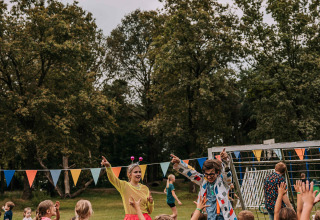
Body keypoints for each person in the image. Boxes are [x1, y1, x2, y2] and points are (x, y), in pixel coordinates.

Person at [171, 148, 237, 220]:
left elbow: (227, 174)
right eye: (206, 174)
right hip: (209, 216)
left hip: (223, 216)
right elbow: (191, 173)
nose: (208, 177)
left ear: (217, 172)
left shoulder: (223, 181)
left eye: (211, 174)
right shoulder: (203, 181)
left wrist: (225, 160)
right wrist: (179, 162)